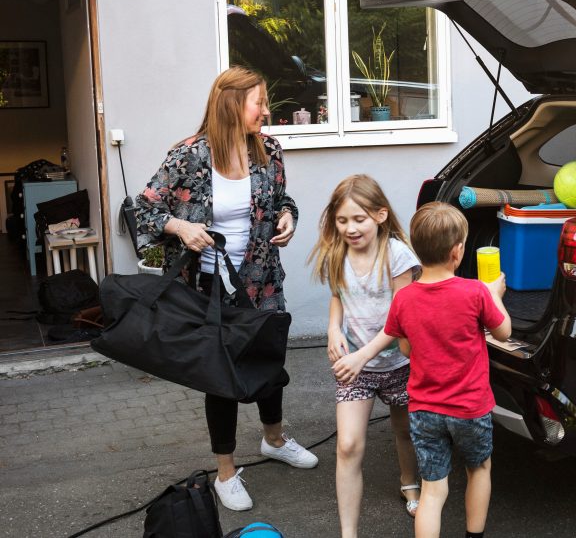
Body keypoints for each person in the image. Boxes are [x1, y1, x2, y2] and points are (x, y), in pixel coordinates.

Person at [136, 66, 317, 512]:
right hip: (209, 285)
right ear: (233, 103)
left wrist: (288, 217)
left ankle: (274, 439)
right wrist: (180, 226)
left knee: (269, 359)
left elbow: (281, 200)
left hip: (262, 277)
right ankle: (225, 472)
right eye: (260, 102)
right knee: (221, 375)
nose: (267, 111)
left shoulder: (268, 149)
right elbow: (143, 211)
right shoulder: (189, 155)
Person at [334, 202, 511, 538]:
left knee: (433, 489)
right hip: (469, 408)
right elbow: (504, 333)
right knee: (479, 468)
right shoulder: (475, 292)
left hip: (425, 409)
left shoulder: (404, 299)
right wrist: (496, 295)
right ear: (457, 252)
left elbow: (403, 347)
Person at [309, 174, 422, 534]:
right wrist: (332, 330)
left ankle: (409, 482)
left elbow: (400, 320)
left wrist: (361, 356)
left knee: (403, 431)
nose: (350, 228)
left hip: (401, 363)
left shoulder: (398, 256)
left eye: (358, 219)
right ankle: (348, 533)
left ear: (380, 215)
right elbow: (337, 298)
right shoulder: (336, 253)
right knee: (347, 445)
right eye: (342, 220)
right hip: (356, 368)